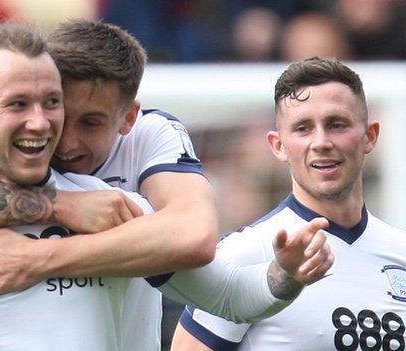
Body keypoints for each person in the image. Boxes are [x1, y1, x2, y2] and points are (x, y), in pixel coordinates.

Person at [0, 23, 329, 351]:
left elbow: (235, 298)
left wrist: (284, 277)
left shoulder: (114, 209)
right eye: (17, 105)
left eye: (52, 103)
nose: (42, 123)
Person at [170, 57, 406, 351]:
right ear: (278, 146)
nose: (321, 142)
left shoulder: (399, 252)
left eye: (336, 124)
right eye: (303, 128)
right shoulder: (246, 253)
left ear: (370, 137)